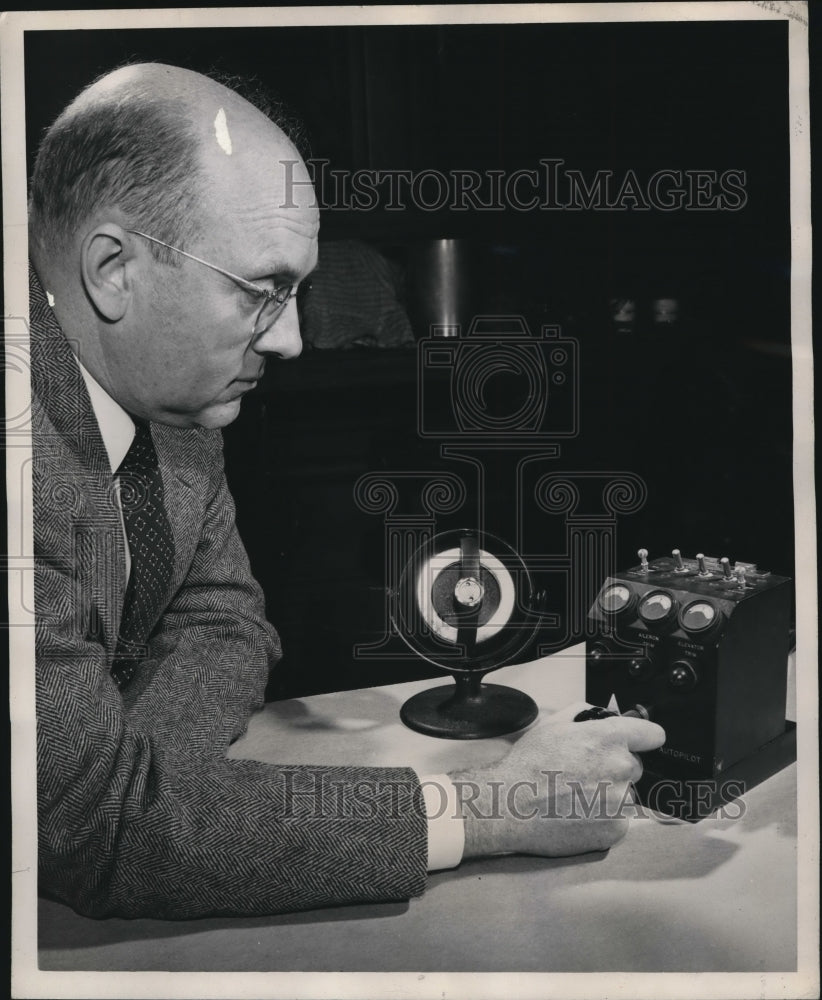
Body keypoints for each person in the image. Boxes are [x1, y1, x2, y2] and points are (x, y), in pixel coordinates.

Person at [29, 63, 665, 920]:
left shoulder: (170, 390)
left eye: (298, 292)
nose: (290, 340)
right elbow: (94, 827)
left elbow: (223, 616)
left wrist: (139, 784)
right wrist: (486, 808)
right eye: (263, 291)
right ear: (113, 269)